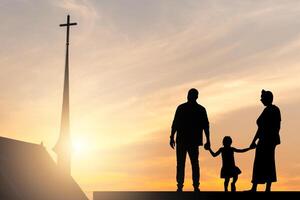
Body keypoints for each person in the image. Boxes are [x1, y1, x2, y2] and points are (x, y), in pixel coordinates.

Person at [169, 88, 210, 192]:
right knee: (185, 163)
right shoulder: (187, 108)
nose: (189, 96)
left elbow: (206, 125)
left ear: (195, 96)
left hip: (190, 140)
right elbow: (175, 123)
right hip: (184, 140)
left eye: (191, 94)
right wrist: (172, 137)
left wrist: (208, 140)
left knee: (191, 163)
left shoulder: (198, 109)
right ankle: (181, 185)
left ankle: (193, 186)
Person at [249, 89, 281, 192]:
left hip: (266, 140)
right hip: (269, 139)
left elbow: (262, 128)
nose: (261, 100)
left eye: (262, 98)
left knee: (261, 162)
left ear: (267, 99)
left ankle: (256, 187)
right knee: (268, 162)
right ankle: (266, 187)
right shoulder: (273, 109)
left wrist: (254, 141)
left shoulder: (270, 110)